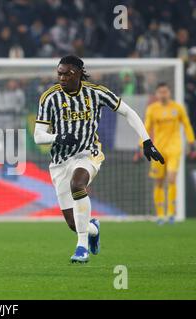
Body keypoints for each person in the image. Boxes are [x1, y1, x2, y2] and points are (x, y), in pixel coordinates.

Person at [33, 55, 164, 263]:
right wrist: (59, 137)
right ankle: (93, 230)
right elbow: (38, 136)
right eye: (59, 73)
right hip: (59, 162)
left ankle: (81, 248)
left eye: (67, 74)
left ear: (78, 74)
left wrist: (146, 140)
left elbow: (128, 112)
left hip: (88, 153)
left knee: (78, 184)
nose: (62, 78)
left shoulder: (96, 93)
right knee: (73, 223)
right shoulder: (49, 98)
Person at [137, 83, 195, 225]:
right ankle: (160, 214)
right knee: (159, 182)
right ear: (157, 94)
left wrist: (191, 141)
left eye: (165, 91)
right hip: (158, 150)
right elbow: (147, 127)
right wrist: (141, 145)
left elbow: (186, 124)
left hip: (175, 148)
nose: (163, 94)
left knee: (171, 179)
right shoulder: (152, 109)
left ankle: (170, 213)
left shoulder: (178, 108)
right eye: (160, 92)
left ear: (169, 92)